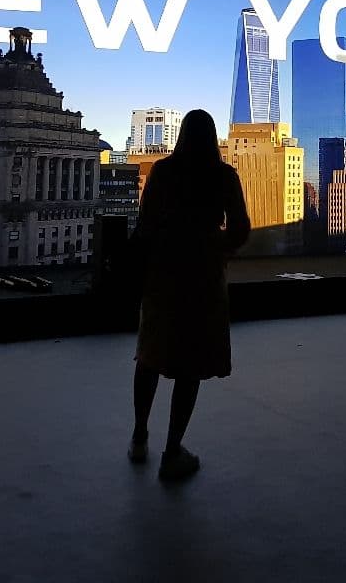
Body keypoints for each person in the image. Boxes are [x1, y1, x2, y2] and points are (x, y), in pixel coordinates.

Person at [128, 109, 250, 481]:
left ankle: (139, 436)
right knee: (191, 365)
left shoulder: (162, 172)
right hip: (203, 277)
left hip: (163, 274)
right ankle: (172, 451)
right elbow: (241, 228)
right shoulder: (223, 176)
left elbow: (145, 227)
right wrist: (218, 247)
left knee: (150, 355)